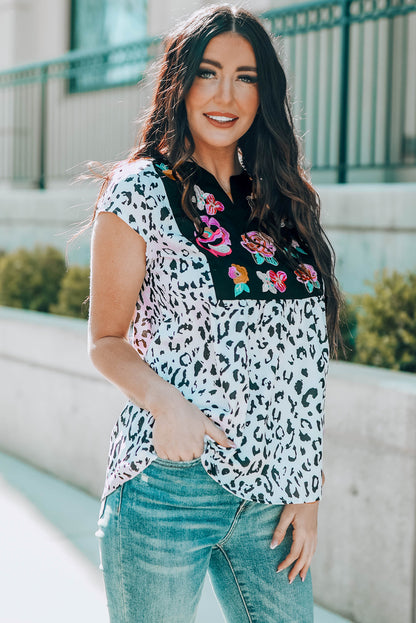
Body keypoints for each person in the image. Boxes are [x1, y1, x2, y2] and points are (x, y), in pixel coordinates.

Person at [89, 4, 344, 622]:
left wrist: (307, 490)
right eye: (208, 73)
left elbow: (305, 365)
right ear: (180, 84)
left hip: (273, 504)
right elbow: (105, 340)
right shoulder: (140, 190)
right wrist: (168, 405)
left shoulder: (280, 196)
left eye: (246, 76)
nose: (226, 94)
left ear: (266, 93)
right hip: (169, 489)